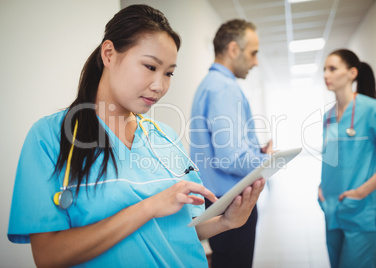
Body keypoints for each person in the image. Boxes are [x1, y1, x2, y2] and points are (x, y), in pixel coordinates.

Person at [7, 5, 266, 268]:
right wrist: (148, 208)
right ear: (108, 54)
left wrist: (226, 222)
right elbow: (48, 256)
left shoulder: (165, 138)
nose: (159, 86)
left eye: (168, 73)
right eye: (150, 66)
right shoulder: (49, 138)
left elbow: (184, 228)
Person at [189, 19, 273, 268]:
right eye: (253, 53)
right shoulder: (223, 88)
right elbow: (230, 158)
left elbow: (224, 148)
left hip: (220, 200)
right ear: (234, 50)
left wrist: (255, 152)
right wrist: (270, 161)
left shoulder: (209, 85)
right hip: (231, 203)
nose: (256, 61)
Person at [319, 49, 376, 268]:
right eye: (324, 70)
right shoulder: (328, 116)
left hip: (360, 208)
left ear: (352, 73)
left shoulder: (371, 109)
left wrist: (362, 191)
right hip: (331, 207)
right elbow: (330, 159)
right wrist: (321, 186)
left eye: (332, 69)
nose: (326, 74)